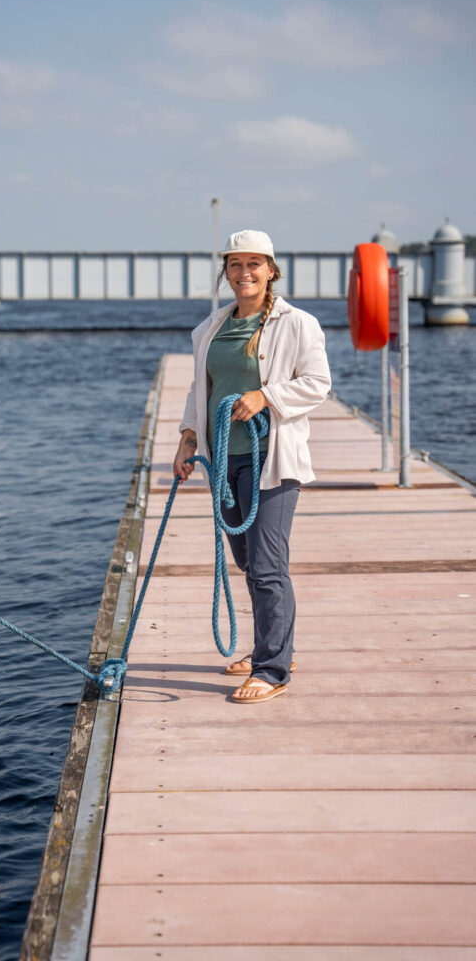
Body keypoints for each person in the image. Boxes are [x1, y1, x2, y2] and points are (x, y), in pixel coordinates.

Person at [173, 229, 331, 703]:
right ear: (226, 272)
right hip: (224, 460)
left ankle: (272, 669)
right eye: (235, 265)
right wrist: (187, 438)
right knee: (245, 560)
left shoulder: (297, 324)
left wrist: (266, 397)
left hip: (273, 460)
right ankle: (274, 646)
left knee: (266, 566)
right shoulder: (212, 329)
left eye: (254, 264)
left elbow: (319, 383)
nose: (244, 273)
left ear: (271, 270)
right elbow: (200, 389)